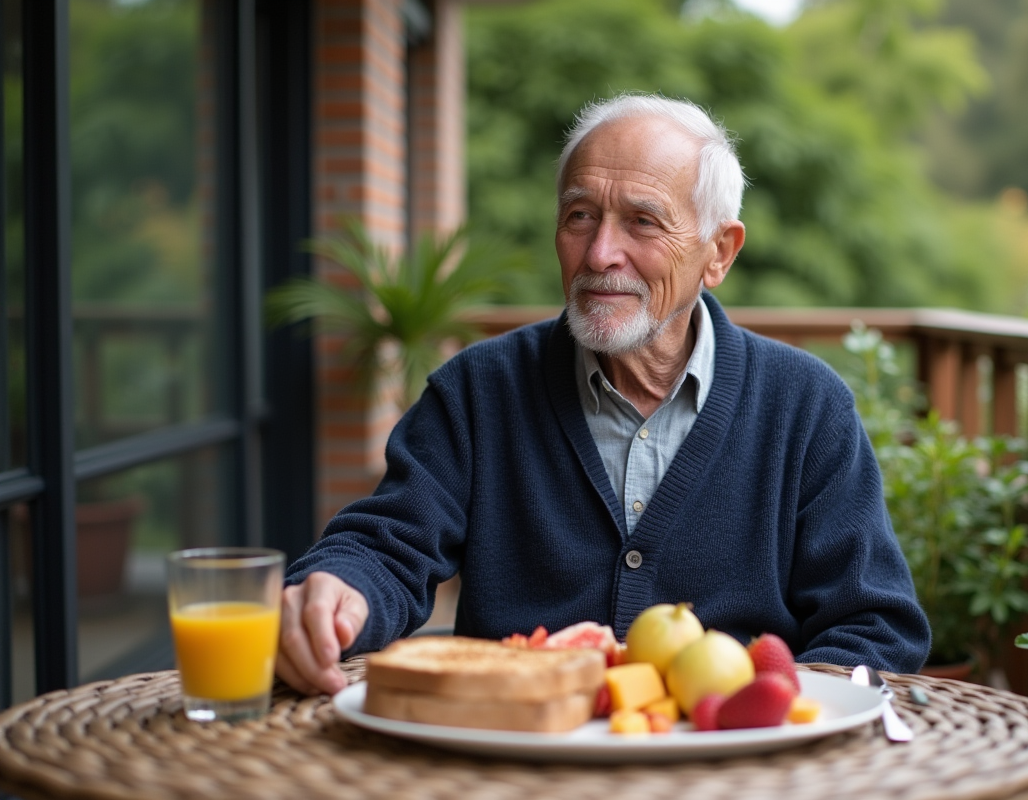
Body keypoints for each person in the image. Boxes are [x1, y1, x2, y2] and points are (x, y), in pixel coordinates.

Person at [277, 94, 931, 697]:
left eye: (643, 222)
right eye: (580, 216)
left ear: (719, 253)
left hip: (728, 756)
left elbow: (874, 625)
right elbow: (387, 545)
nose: (599, 254)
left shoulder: (807, 407)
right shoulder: (478, 390)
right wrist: (338, 590)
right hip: (515, 751)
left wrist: (765, 724)